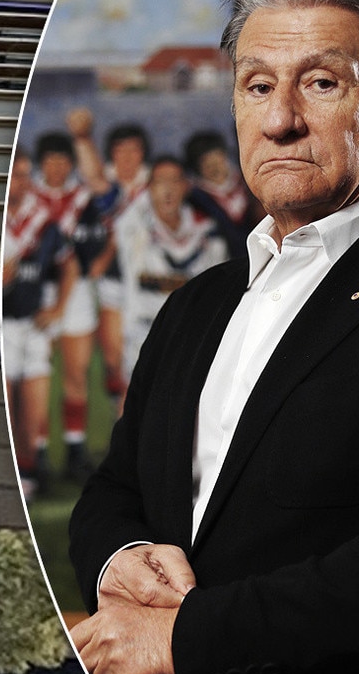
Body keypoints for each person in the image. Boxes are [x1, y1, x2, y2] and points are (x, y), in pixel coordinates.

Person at [67, 0, 359, 674]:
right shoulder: (197, 304)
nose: (280, 119)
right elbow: (114, 490)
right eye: (258, 86)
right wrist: (119, 560)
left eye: (320, 83)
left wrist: (182, 640)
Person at [3, 150, 80, 498]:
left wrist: (60, 307)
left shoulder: (43, 219)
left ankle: (28, 468)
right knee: (3, 397)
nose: (16, 181)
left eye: (22, 175)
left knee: (34, 398)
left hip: (33, 323)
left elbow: (69, 264)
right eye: (11, 174)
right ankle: (4, 472)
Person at [114, 156, 227, 388]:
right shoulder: (133, 229)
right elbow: (102, 189)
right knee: (137, 411)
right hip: (143, 335)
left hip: (190, 339)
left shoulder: (208, 234)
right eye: (160, 182)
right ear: (148, 188)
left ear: (186, 186)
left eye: (174, 181)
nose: (167, 189)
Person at [67, 111, 151, 412]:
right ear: (112, 154)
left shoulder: (156, 185)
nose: (128, 157)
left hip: (150, 285)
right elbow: (94, 178)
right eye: (121, 151)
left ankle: (131, 438)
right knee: (115, 360)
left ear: (144, 153)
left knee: (141, 363)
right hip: (114, 283)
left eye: (134, 150)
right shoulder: (109, 188)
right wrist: (82, 137)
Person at [31, 132, 100, 483]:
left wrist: (100, 260)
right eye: (50, 159)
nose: (57, 166)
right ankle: (38, 454)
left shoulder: (84, 195)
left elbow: (105, 234)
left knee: (76, 373)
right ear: (40, 163)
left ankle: (76, 451)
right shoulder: (27, 197)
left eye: (63, 159)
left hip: (78, 292)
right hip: (37, 291)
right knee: (38, 373)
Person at [183, 130, 258, 259]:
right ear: (197, 168)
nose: (215, 168)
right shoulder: (195, 200)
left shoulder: (249, 183)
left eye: (218, 159)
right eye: (207, 164)